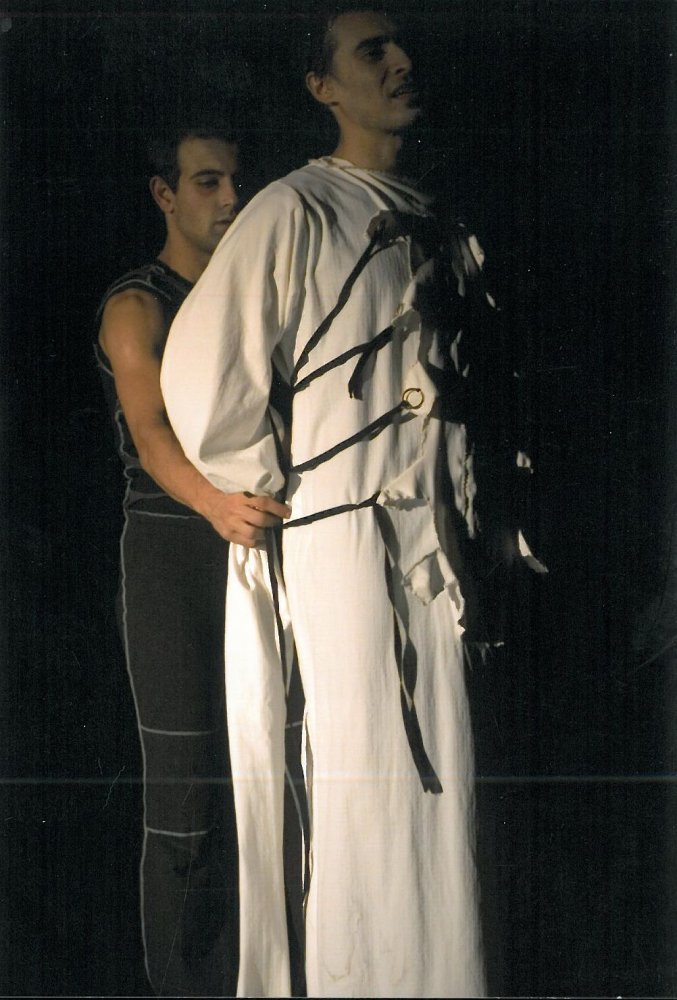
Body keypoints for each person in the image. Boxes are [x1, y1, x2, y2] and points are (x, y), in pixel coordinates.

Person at [161, 6, 540, 996]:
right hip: (349, 543)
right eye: (371, 51)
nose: (401, 61)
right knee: (369, 782)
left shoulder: (446, 219)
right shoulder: (295, 209)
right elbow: (207, 373)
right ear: (323, 87)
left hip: (446, 550)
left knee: (451, 790)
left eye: (402, 44)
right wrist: (256, 482)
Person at [95, 125, 290, 997]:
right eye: (207, 182)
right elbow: (151, 433)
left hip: (260, 543)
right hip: (174, 550)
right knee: (189, 796)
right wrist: (213, 504)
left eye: (237, 180)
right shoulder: (138, 304)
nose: (231, 199)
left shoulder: (257, 298)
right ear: (164, 194)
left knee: (267, 782)